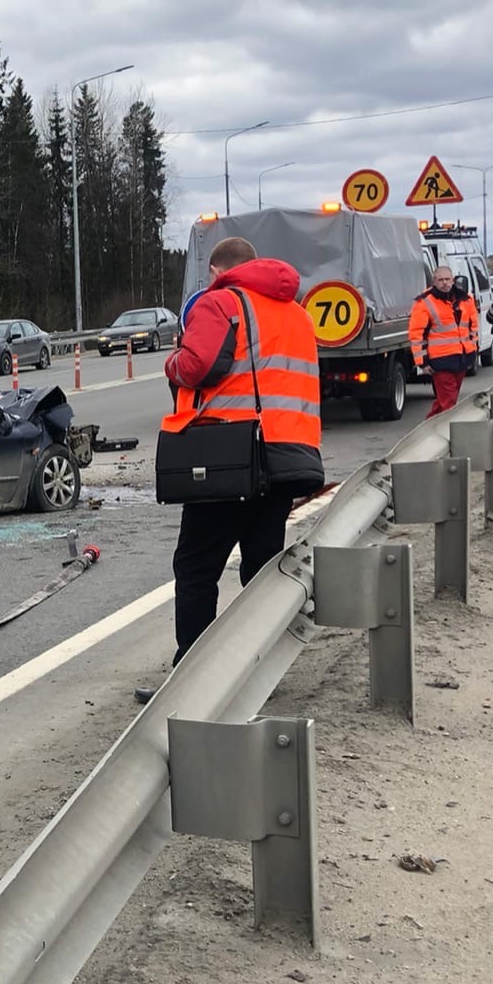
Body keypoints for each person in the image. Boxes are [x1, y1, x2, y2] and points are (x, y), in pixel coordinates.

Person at [148, 236, 323, 690]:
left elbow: (196, 364)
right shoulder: (297, 314)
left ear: (216, 271)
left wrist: (171, 364)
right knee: (262, 570)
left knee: (196, 569)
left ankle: (193, 679)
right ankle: (259, 668)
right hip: (288, 458)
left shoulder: (219, 302)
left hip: (230, 459)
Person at [409, 265, 479, 415]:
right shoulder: (425, 302)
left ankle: (428, 431)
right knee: (449, 403)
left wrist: (472, 349)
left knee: (445, 402)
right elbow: (417, 335)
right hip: (440, 360)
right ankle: (447, 433)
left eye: (447, 279)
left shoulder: (465, 299)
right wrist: (422, 362)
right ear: (434, 281)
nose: (445, 283)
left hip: (462, 357)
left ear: (453, 280)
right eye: (440, 280)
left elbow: (473, 326)